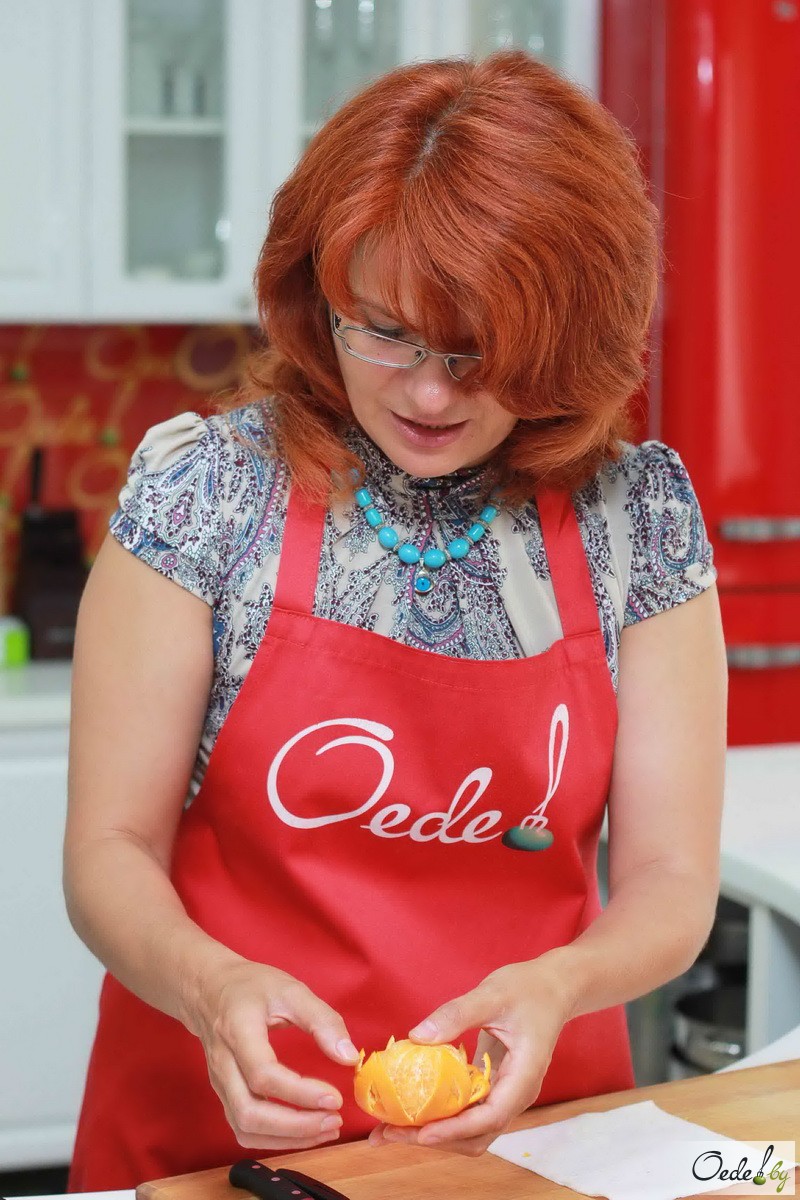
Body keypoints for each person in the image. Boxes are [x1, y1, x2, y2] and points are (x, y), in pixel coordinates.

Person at [64, 49, 727, 1191]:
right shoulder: (206, 496)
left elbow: (670, 876)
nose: (426, 391)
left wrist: (561, 984)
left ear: (567, 335)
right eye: (383, 330)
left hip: (526, 1138)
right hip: (217, 1142)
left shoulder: (637, 520)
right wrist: (209, 987)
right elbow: (108, 849)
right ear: (318, 296)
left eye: (479, 351)